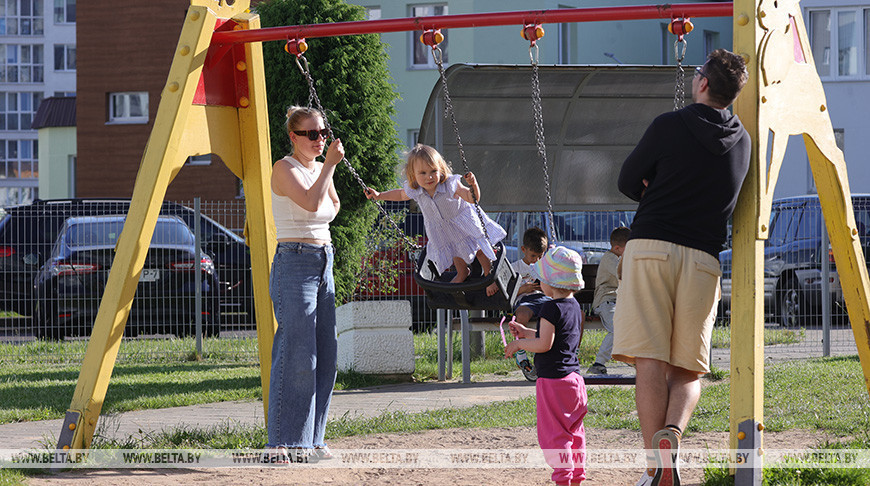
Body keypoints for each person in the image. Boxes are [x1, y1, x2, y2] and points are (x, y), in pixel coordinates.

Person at [613, 49, 750, 486]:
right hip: (704, 259)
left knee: (649, 362)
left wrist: (657, 187)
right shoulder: (744, 141)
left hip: (651, 246)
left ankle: (655, 468)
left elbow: (627, 180)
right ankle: (673, 433)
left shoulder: (668, 125)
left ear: (704, 84)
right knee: (688, 369)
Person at [266, 106, 344, 463]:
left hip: (323, 258)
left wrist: (324, 167)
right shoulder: (285, 168)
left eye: (322, 132)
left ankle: (312, 440)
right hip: (294, 260)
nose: (319, 139)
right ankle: (281, 440)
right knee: (298, 352)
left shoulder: (316, 168)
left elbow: (334, 206)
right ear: (293, 137)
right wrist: (328, 165)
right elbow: (314, 205)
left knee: (326, 355)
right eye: (311, 134)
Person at [365, 143, 506, 283]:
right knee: (455, 251)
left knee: (479, 249)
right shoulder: (416, 190)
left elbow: (472, 198)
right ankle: (462, 272)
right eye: (423, 173)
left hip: (464, 223)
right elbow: (400, 195)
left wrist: (473, 185)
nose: (429, 177)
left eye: (433, 171)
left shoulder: (450, 184)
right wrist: (379, 195)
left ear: (441, 169)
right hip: (444, 230)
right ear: (413, 174)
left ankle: (489, 276)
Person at [505, 246, 587, 485]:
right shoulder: (574, 307)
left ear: (551, 282)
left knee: (554, 434)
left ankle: (562, 478)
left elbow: (544, 344)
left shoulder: (549, 307)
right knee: (574, 431)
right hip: (574, 381)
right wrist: (526, 332)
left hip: (553, 383)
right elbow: (551, 336)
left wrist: (519, 344)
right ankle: (576, 476)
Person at [487, 226, 550, 379]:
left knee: (552, 314)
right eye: (533, 255)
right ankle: (521, 354)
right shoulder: (515, 268)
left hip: (543, 298)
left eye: (540, 256)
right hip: (524, 301)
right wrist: (523, 289)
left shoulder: (544, 267)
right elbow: (508, 291)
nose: (536, 260)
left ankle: (546, 352)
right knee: (521, 315)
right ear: (523, 249)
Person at [586, 226, 630, 375]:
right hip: (606, 302)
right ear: (617, 248)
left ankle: (632, 358)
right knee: (617, 328)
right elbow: (625, 275)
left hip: (618, 303)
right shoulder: (610, 259)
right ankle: (598, 363)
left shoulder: (620, 257)